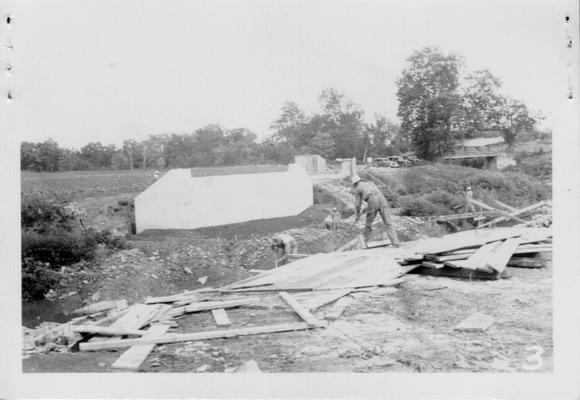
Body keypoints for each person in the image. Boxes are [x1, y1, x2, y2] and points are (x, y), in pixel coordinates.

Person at [352, 175, 399, 247]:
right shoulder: (370, 183)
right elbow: (374, 195)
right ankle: (395, 242)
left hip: (372, 200)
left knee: (368, 223)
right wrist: (369, 206)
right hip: (382, 199)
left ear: (354, 184)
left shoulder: (358, 188)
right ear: (360, 180)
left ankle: (365, 243)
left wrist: (357, 215)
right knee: (388, 221)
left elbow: (358, 204)